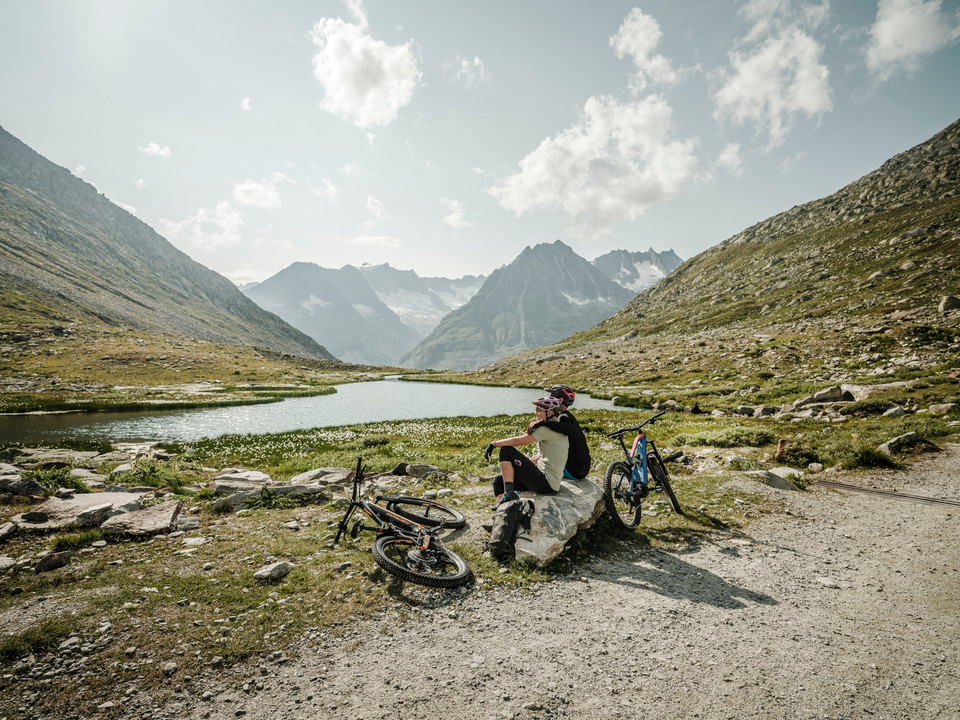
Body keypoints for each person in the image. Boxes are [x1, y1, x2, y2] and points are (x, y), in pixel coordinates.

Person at [484, 396, 568, 503]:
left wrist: (494, 444)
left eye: (538, 410)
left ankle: (509, 494)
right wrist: (522, 467)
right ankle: (505, 509)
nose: (535, 413)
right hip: (548, 483)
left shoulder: (546, 429)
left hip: (545, 483)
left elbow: (517, 442)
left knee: (506, 450)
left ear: (550, 413)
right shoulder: (558, 428)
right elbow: (542, 455)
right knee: (498, 481)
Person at [537, 384, 591, 480]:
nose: (549, 398)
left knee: (534, 470)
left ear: (560, 400)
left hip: (573, 471)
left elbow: (567, 429)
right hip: (581, 469)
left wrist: (542, 423)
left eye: (551, 396)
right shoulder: (568, 416)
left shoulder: (562, 417)